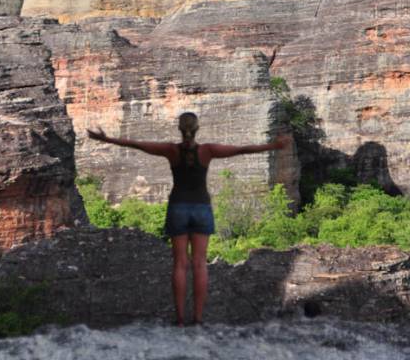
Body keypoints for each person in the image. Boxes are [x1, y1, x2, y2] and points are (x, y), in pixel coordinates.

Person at [87, 112, 289, 326]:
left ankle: (180, 319)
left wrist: (106, 139)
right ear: (197, 128)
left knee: (180, 264)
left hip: (178, 207)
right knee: (200, 264)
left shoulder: (170, 150)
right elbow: (242, 150)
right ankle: (198, 319)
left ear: (179, 129)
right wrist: (274, 147)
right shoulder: (207, 151)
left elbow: (137, 144)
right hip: (201, 208)